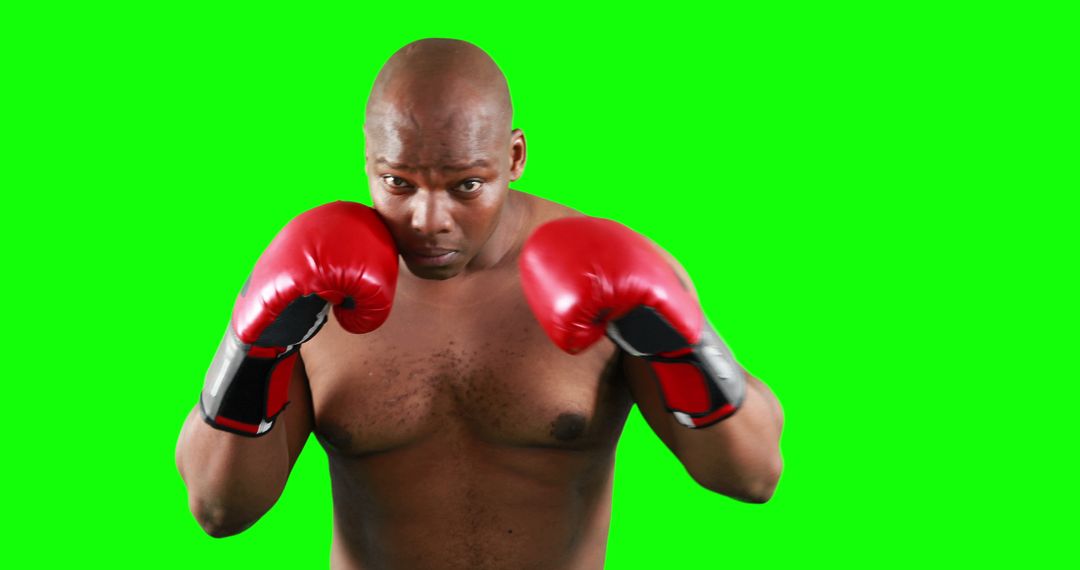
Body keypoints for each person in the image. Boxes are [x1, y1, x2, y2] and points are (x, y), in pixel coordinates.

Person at [175, 38, 784, 570]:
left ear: (514, 157)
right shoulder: (313, 285)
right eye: (398, 183)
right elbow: (218, 509)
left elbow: (752, 475)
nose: (428, 220)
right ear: (367, 159)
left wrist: (680, 339)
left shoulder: (610, 270)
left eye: (465, 184)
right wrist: (251, 349)